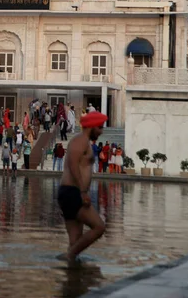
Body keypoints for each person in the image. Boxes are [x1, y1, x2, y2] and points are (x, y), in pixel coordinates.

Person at [58, 111, 107, 262]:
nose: (101, 131)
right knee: (99, 227)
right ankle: (69, 256)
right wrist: (83, 191)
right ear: (91, 126)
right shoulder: (80, 141)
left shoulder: (84, 142)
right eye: (99, 127)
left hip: (70, 192)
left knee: (75, 242)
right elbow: (73, 164)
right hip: (73, 192)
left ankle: (72, 277)